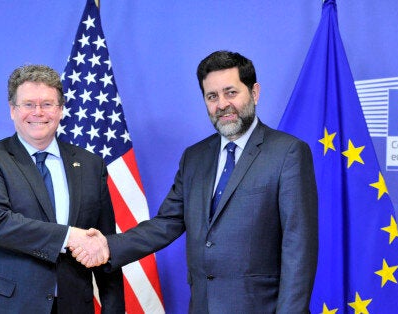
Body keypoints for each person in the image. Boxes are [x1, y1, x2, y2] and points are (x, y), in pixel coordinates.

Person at [74, 50, 318, 313]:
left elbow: (299, 248)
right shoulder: (195, 157)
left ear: (254, 92)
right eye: (212, 96)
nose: (222, 104)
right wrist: (108, 246)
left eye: (231, 92)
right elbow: (167, 223)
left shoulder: (288, 152)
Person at [0, 64, 124, 313]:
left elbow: (104, 243)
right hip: (6, 306)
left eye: (47, 104)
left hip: (73, 306)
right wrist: (70, 236)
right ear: (12, 110)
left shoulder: (91, 164)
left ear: (60, 110)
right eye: (28, 104)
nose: (38, 112)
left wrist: (113, 309)